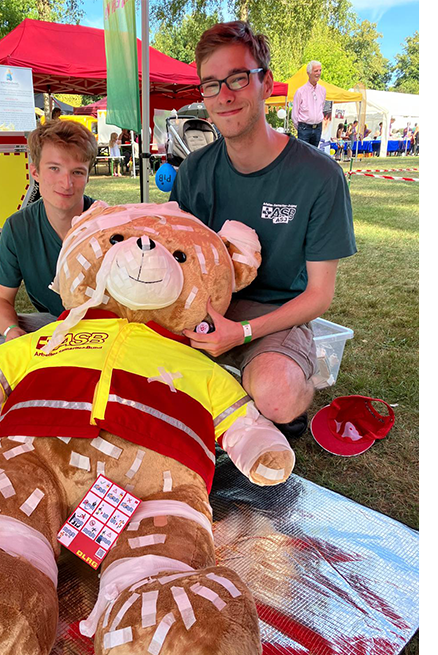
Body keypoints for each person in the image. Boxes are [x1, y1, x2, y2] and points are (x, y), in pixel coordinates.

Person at [169, 21, 357, 439]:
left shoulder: (319, 176)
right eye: (211, 85)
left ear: (266, 83)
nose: (225, 95)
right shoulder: (196, 171)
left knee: (277, 395)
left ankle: (287, 385)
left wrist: (243, 332)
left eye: (237, 78)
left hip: (276, 314)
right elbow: (174, 260)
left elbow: (319, 295)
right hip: (202, 307)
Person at [0, 120, 99, 360]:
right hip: (56, 324)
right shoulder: (18, 227)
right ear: (35, 172)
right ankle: (50, 367)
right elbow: (0, 299)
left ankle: (37, 370)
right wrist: (12, 332)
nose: (66, 183)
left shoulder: (109, 224)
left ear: (87, 176)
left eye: (77, 172)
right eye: (54, 168)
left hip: (106, 329)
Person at [292, 60, 328, 149]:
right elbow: (294, 114)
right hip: (304, 128)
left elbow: (321, 107)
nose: (318, 73)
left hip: (318, 127)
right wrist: (301, 128)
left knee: (315, 155)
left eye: (320, 70)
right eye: (316, 71)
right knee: (303, 155)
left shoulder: (322, 90)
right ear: (308, 73)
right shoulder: (300, 91)